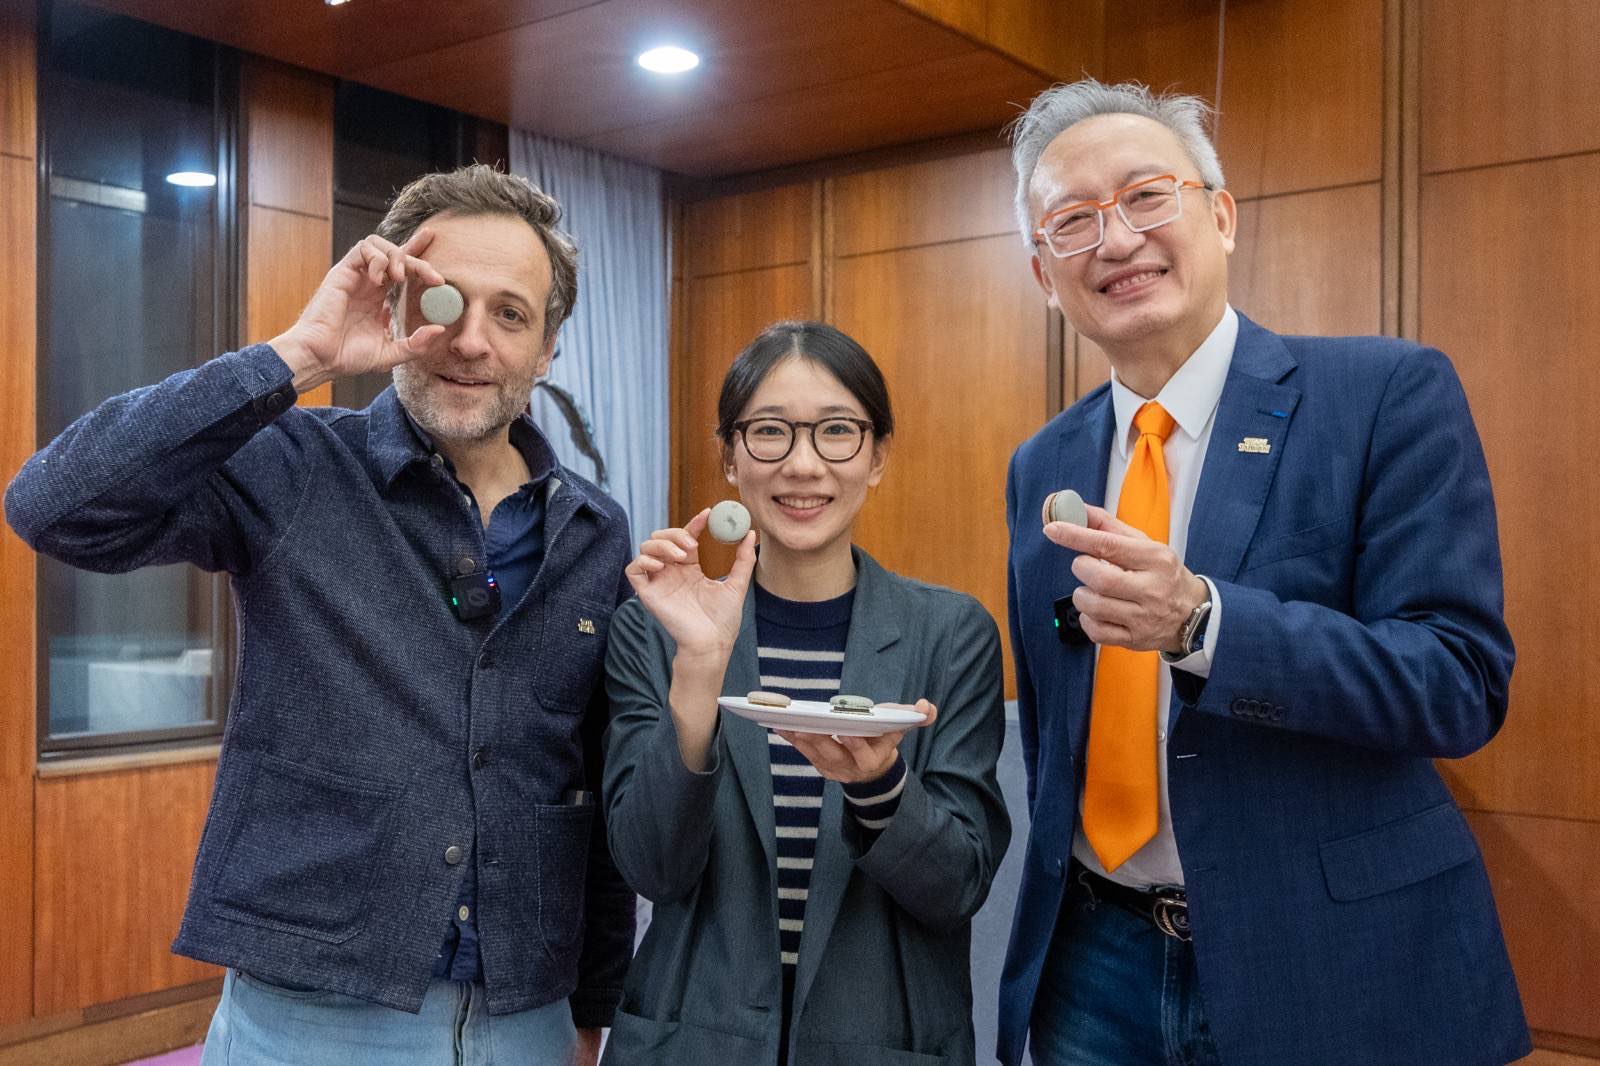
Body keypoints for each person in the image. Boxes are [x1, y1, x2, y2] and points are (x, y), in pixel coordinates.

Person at [4, 164, 633, 1065]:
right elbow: (55, 506)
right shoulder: (298, 463)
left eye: (510, 314)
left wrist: (591, 1009)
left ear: (547, 348)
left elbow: (594, 784)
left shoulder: (593, 532)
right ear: (396, 302)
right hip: (311, 1013)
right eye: (445, 299)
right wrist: (296, 358)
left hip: (525, 1014)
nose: (470, 340)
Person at [995, 80, 1529, 1066]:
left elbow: (1458, 683)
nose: (1116, 240)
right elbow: (1052, 722)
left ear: (1222, 215)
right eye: (1073, 221)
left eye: (1145, 196)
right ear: (1042, 273)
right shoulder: (1042, 463)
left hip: (1329, 958)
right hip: (1094, 962)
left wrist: (1204, 623)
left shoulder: (1381, 394)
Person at [600, 321, 1010, 1065]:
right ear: (729, 457)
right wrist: (700, 668)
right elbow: (653, 869)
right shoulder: (654, 631)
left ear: (878, 456)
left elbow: (958, 886)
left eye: (837, 431)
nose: (802, 464)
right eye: (769, 432)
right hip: (691, 1042)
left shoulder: (952, 635)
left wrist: (881, 786)